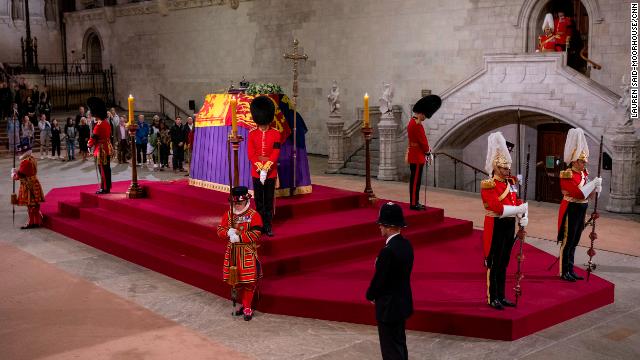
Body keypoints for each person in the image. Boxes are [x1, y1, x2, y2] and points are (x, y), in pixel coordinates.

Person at [480, 132, 528, 310]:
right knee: (494, 262)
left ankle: (501, 295)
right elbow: (497, 208)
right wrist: (518, 210)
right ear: (496, 167)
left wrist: (524, 217)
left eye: (508, 168)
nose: (508, 171)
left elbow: (517, 202)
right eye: (504, 168)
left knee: (504, 262)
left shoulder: (510, 183)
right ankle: (492, 297)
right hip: (496, 225)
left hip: (509, 225)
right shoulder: (489, 184)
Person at [366, 202, 414, 360]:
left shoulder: (388, 251)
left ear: (388, 226)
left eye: (381, 224)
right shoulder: (407, 245)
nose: (379, 227)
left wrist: (370, 295)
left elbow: (381, 279)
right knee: (399, 345)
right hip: (401, 304)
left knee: (390, 351)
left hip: (388, 308)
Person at [557, 128, 601, 282]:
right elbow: (578, 193)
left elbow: (588, 194)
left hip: (582, 208)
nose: (584, 163)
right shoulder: (567, 174)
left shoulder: (584, 173)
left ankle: (570, 268)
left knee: (575, 240)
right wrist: (592, 186)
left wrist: (597, 189)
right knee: (568, 240)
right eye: (582, 161)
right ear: (575, 161)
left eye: (585, 161)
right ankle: (563, 271)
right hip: (571, 208)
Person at [216, 186, 263, 321]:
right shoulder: (229, 214)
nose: (237, 205)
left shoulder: (254, 215)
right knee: (235, 281)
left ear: (246, 201)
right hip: (232, 252)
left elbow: (257, 233)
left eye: (239, 203)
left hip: (247, 251)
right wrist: (227, 232)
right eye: (235, 203)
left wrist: (240, 237)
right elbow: (220, 230)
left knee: (249, 281)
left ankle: (247, 306)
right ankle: (243, 304)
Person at [247, 96, 281, 237]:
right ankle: (259, 225)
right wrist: (259, 167)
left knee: (268, 200)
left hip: (271, 172)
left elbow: (276, 152)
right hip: (256, 172)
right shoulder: (252, 134)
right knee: (259, 201)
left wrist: (266, 167)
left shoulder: (276, 134)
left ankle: (268, 225)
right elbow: (251, 153)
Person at [406, 95, 441, 210]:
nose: (425, 117)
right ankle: (414, 203)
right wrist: (428, 152)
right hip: (417, 156)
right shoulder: (417, 125)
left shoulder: (412, 122)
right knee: (416, 182)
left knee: (415, 181)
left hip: (414, 154)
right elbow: (423, 141)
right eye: (425, 115)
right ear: (421, 113)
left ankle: (414, 201)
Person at [11, 138, 45, 229]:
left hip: (28, 185)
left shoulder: (25, 162)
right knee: (35, 204)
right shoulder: (32, 158)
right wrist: (17, 171)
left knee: (30, 205)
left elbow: (19, 176)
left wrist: (13, 174)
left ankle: (32, 222)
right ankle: (36, 221)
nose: (18, 153)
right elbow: (26, 171)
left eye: (20, 152)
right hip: (34, 182)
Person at [87, 97, 113, 194]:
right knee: (107, 168)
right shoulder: (106, 123)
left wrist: (88, 145)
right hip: (107, 147)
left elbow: (93, 138)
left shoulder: (99, 125)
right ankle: (107, 187)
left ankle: (104, 188)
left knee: (102, 169)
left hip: (100, 149)